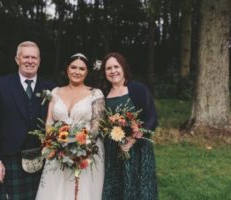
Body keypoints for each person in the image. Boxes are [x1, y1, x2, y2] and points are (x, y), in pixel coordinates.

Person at [0, 41, 55, 200]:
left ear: (39, 60)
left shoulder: (50, 86)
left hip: (43, 158)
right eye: (26, 57)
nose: (30, 61)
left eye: (34, 57)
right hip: (11, 157)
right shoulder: (1, 85)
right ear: (17, 59)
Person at [35, 53, 105, 200]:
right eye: (73, 67)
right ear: (67, 69)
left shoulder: (95, 94)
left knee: (81, 192)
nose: (77, 71)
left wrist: (80, 148)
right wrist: (56, 144)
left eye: (82, 68)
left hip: (85, 151)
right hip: (57, 151)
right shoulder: (55, 92)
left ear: (87, 72)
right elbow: (49, 122)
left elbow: (96, 126)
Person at [100, 52, 158, 200]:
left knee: (140, 188)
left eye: (116, 66)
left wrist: (134, 138)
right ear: (104, 72)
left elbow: (152, 117)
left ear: (124, 67)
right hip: (114, 150)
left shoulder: (138, 89)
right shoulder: (103, 93)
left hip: (138, 149)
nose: (113, 71)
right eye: (108, 68)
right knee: (116, 188)